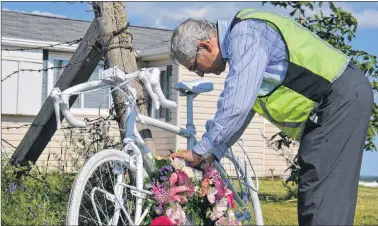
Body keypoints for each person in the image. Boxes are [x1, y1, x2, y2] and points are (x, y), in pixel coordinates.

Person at [167, 8, 373, 226]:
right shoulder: (243, 42)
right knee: (319, 193)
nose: (199, 73)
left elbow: (237, 105)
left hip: (338, 99)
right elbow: (246, 108)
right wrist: (213, 152)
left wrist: (199, 151)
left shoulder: (245, 36)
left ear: (205, 46)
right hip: (334, 103)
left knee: (321, 197)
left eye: (194, 66)